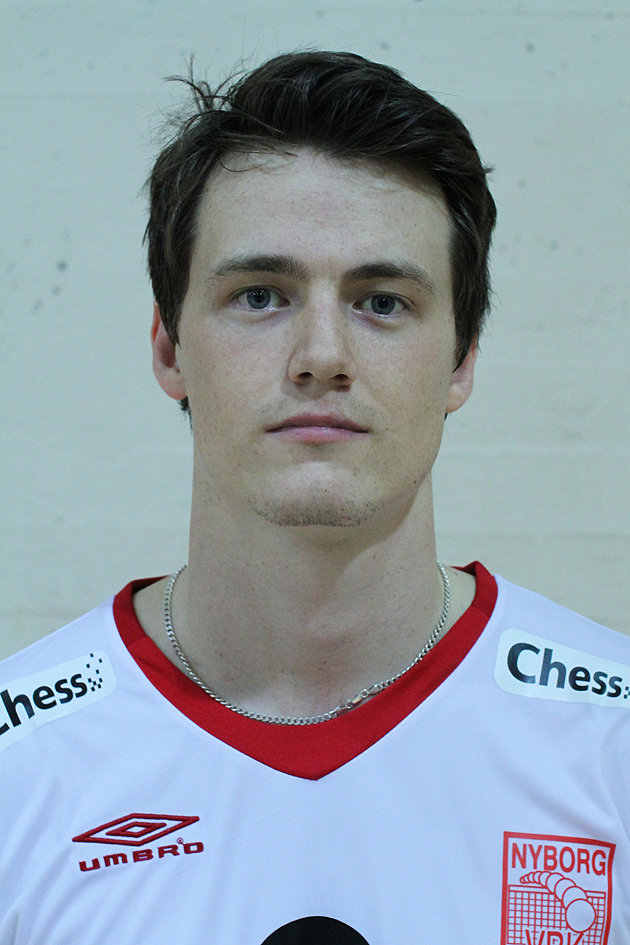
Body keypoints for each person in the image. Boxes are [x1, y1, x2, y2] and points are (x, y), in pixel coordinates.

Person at [0, 51, 628, 945]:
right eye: (261, 295)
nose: (322, 355)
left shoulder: (609, 742)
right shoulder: (22, 765)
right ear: (170, 350)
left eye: (383, 301)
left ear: (461, 360)